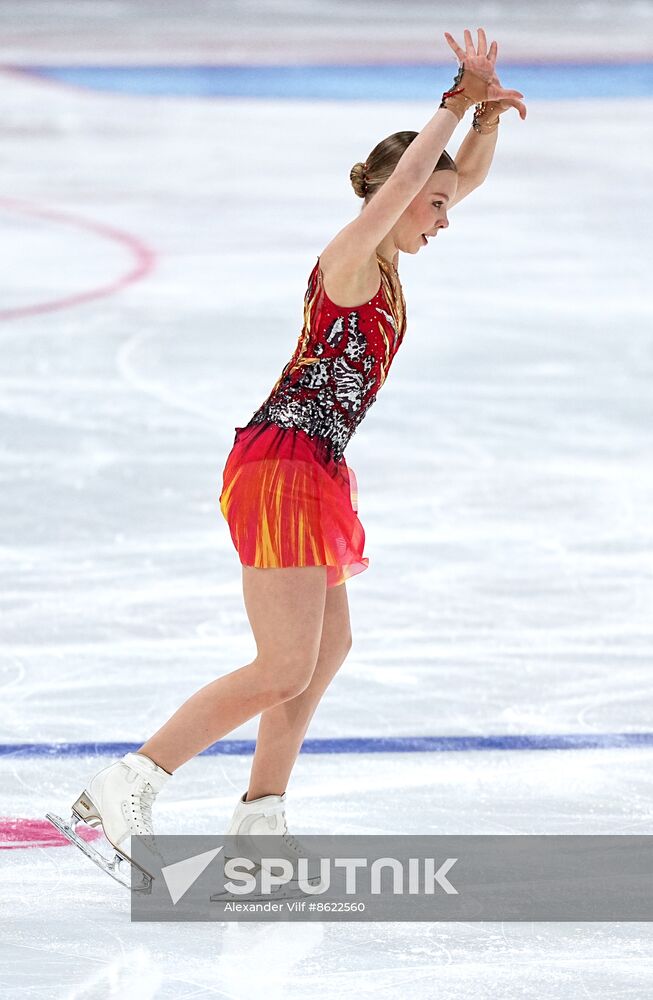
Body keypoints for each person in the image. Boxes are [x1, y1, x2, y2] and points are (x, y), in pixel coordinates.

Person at [46, 27, 526, 885]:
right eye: (434, 205)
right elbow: (419, 176)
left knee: (325, 648)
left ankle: (259, 817)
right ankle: (126, 784)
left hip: (314, 465)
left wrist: (484, 122)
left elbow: (454, 178)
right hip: (280, 464)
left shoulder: (388, 261)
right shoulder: (349, 256)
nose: (445, 217)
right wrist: (455, 100)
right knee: (281, 664)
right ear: (393, 194)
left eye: (448, 206)